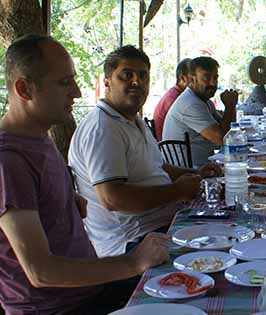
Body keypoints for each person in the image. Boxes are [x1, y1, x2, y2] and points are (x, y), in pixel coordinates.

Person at [0, 34, 170, 315]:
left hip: (90, 290)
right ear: (24, 89)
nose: (77, 92)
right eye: (64, 83)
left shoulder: (38, 138)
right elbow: (40, 271)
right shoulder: (9, 160)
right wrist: (133, 262)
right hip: (61, 308)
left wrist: (67, 200)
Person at [69, 46, 222, 257]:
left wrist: (196, 174)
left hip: (161, 222)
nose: (136, 82)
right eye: (126, 75)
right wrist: (177, 191)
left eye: (143, 76)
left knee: (232, 222)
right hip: (131, 242)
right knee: (220, 249)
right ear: (107, 82)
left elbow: (158, 167)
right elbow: (113, 198)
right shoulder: (102, 127)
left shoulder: (131, 119)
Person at [162, 56, 238, 167]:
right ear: (192, 80)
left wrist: (232, 105)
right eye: (206, 77)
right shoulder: (191, 104)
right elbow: (222, 138)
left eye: (215, 77)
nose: (213, 83)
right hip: (187, 171)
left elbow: (229, 130)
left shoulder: (204, 101)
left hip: (203, 165)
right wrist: (229, 107)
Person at [153, 58, 192, 141]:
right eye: (193, 78)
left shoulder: (177, 94)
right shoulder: (174, 99)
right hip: (170, 149)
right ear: (183, 79)